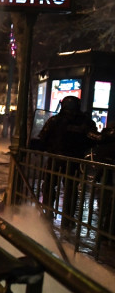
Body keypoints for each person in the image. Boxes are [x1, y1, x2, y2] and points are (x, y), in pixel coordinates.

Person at [37, 95, 97, 228]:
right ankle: (68, 219)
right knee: (70, 190)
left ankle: (48, 213)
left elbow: (42, 138)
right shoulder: (85, 122)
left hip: (56, 159)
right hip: (73, 161)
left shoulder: (55, 121)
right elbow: (93, 139)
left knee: (49, 185)